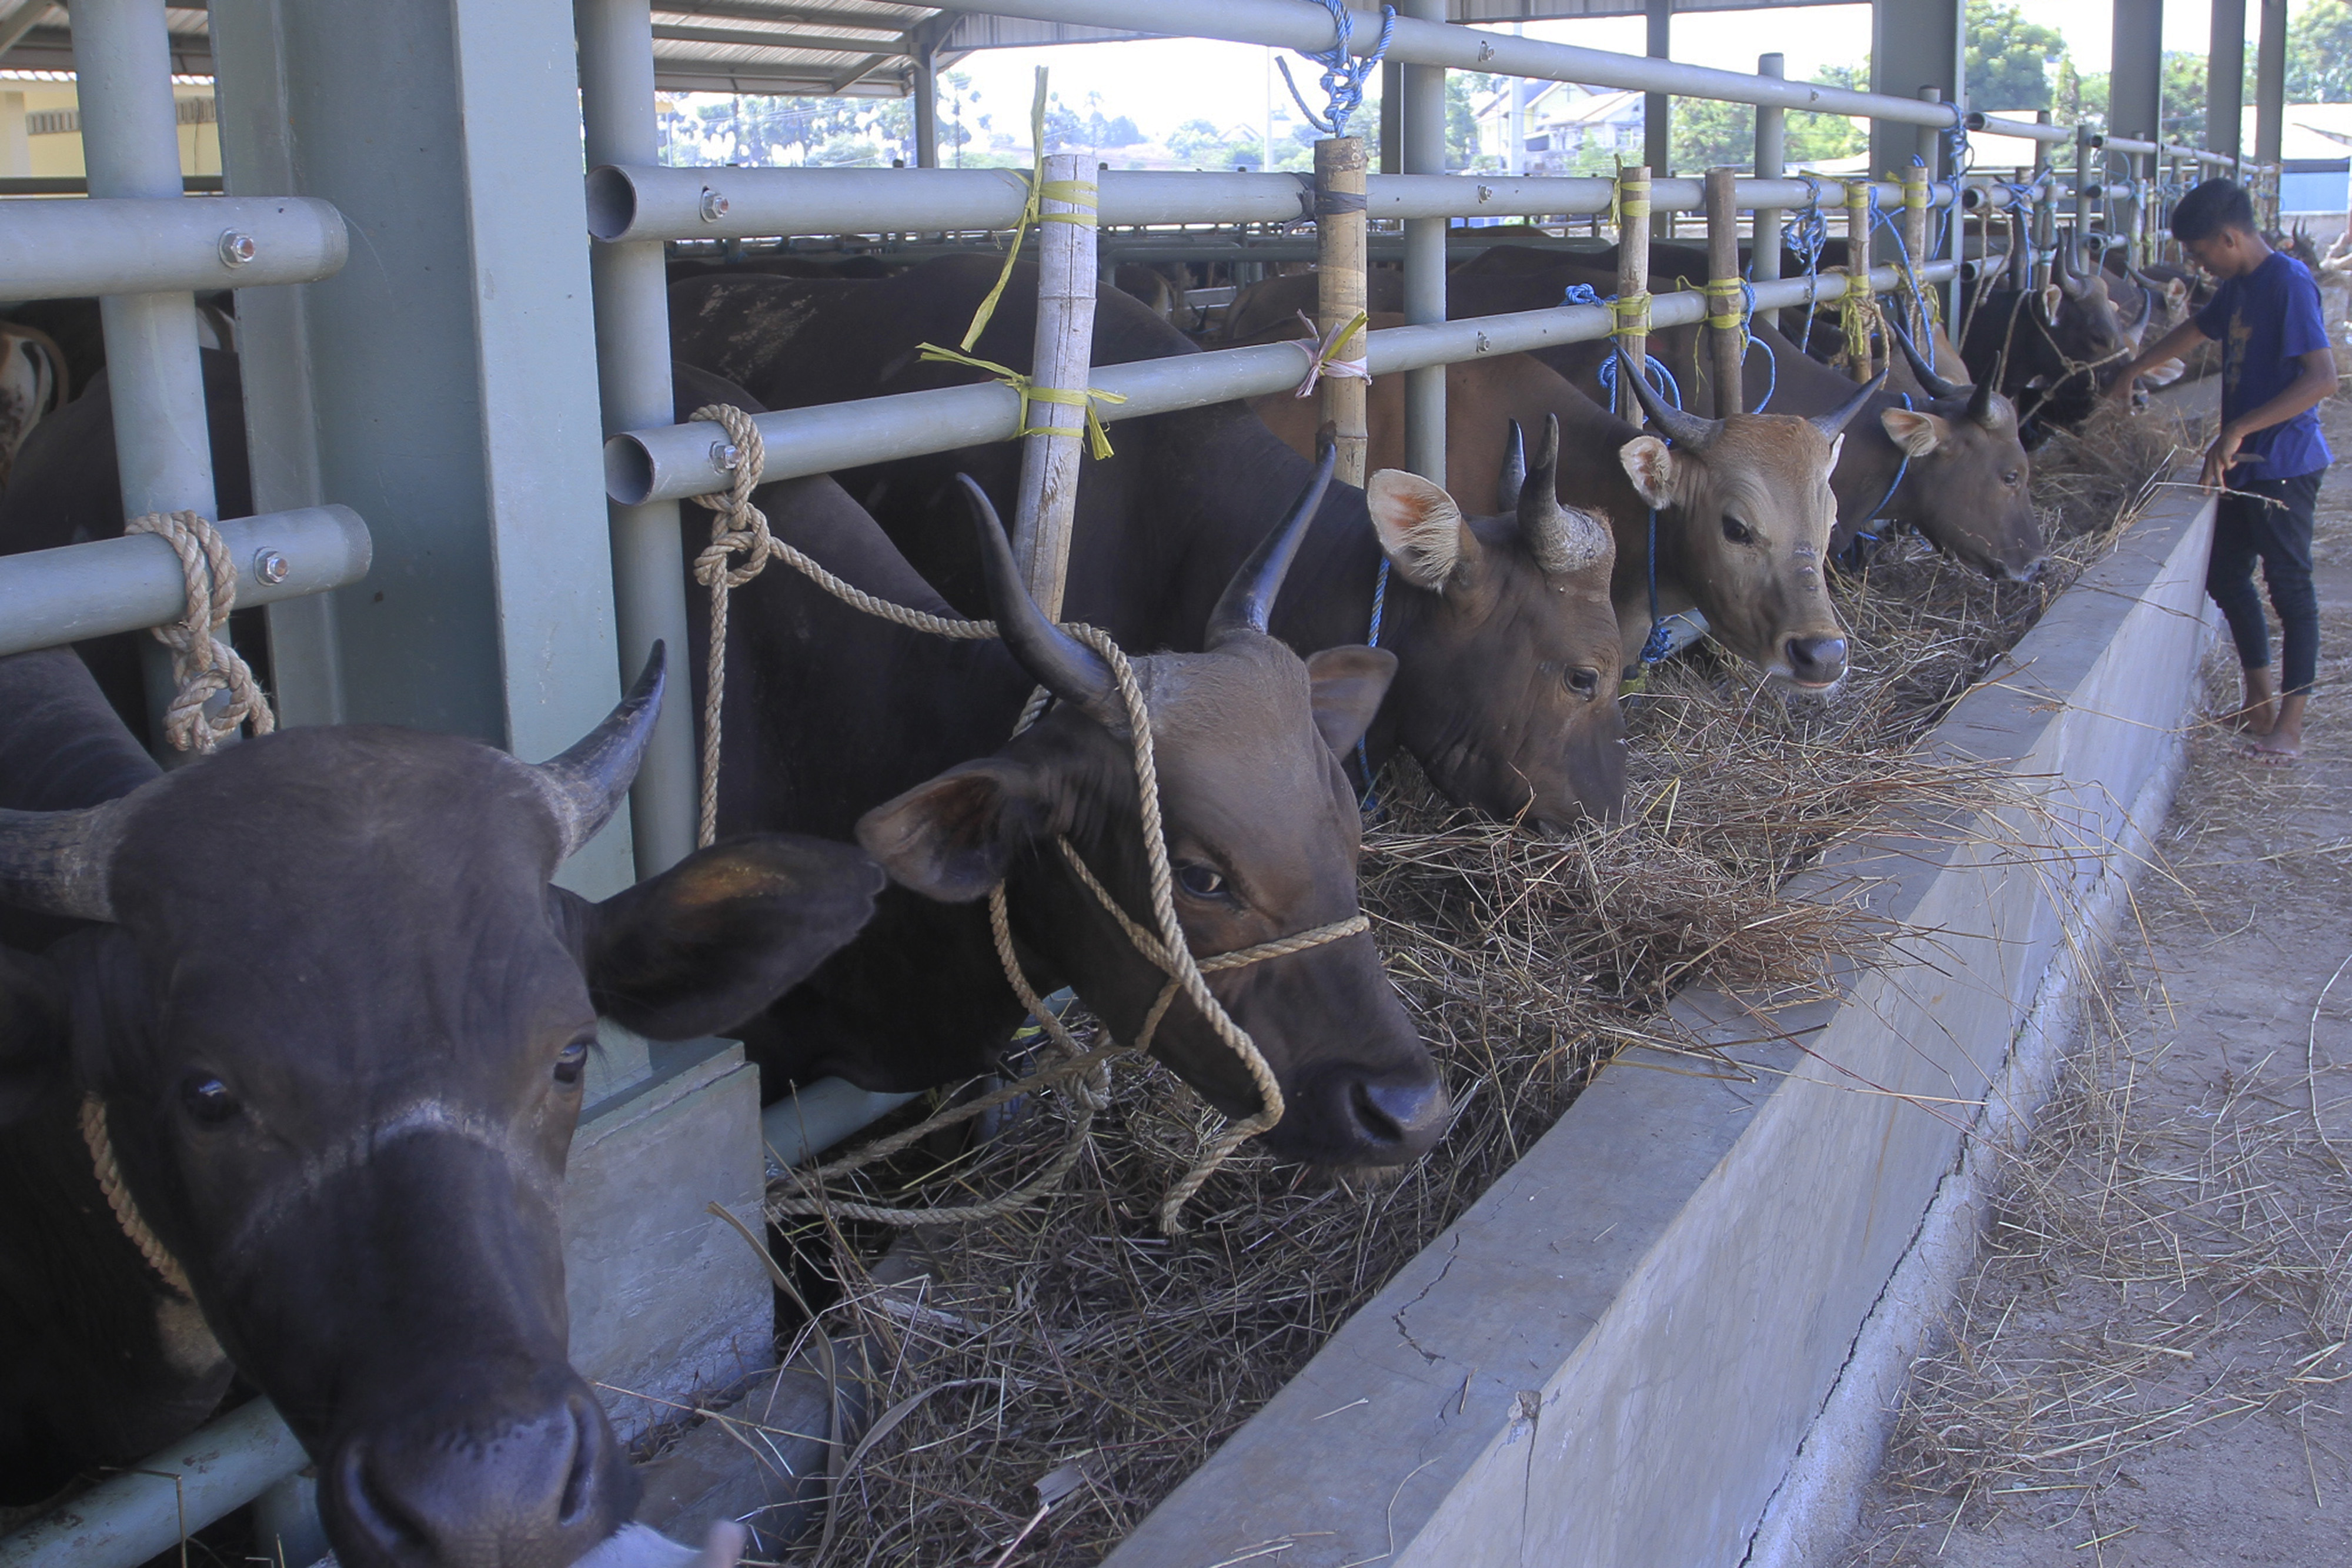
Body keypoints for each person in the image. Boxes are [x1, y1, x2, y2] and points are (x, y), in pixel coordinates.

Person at [2106, 177, 2338, 760]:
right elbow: (2198, 330)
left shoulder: (2287, 284)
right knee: (2226, 575)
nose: (2195, 263)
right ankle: (2258, 699)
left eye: (2198, 251)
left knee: (2289, 589)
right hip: (2243, 465)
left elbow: (2322, 380)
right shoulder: (2241, 286)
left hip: (2283, 463)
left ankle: (2290, 725)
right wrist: (2132, 369)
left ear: (2229, 237)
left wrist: (2236, 428)